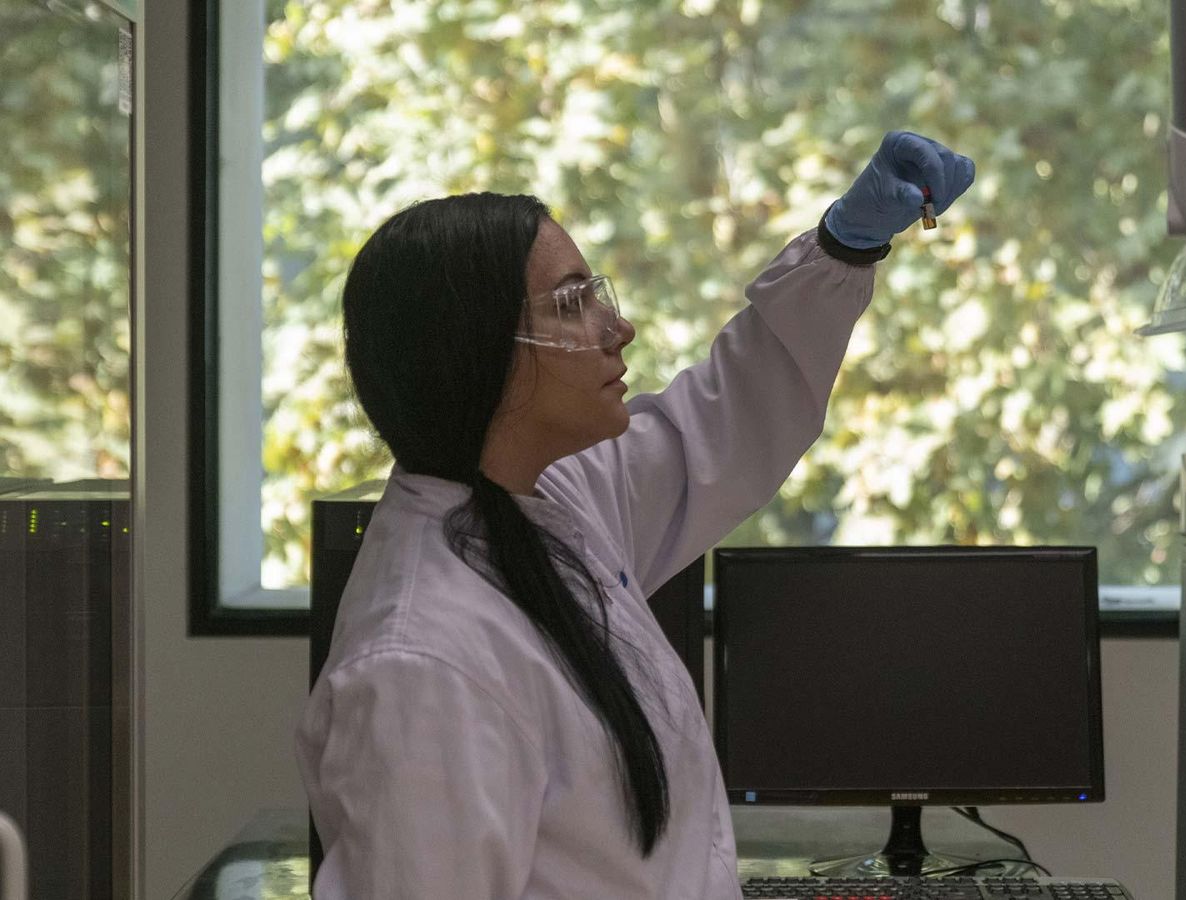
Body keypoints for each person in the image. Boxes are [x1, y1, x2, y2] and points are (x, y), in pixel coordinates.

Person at [295, 131, 975, 898]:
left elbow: (722, 426)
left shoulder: (547, 500)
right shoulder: (421, 665)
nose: (617, 329)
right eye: (572, 304)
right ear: (476, 352)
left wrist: (842, 249)